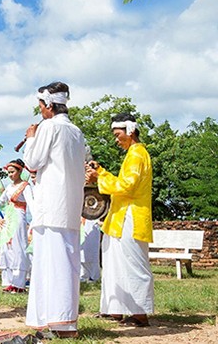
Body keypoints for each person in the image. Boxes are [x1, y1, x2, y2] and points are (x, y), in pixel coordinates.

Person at [22, 82, 87, 338]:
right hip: (69, 206)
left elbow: (32, 162)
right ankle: (62, 323)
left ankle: (58, 324)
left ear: (49, 105)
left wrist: (30, 139)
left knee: (51, 265)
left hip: (51, 205)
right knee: (66, 264)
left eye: (40, 106)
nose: (40, 111)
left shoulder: (49, 127)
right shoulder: (77, 131)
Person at [86, 113, 154, 327]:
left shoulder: (137, 154)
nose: (116, 140)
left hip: (131, 217)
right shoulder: (132, 154)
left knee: (132, 265)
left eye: (118, 135)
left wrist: (100, 177)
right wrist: (102, 172)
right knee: (113, 263)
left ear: (130, 131)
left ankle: (140, 313)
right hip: (119, 217)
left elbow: (127, 187)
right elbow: (121, 184)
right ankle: (115, 309)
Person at [0, 159, 31, 292]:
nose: (10, 175)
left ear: (19, 171)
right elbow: (1, 202)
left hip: (19, 215)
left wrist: (34, 221)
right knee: (7, 247)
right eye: (8, 172)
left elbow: (31, 204)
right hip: (8, 217)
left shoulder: (25, 186)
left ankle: (19, 283)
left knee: (18, 246)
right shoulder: (9, 187)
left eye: (12, 172)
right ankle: (9, 281)